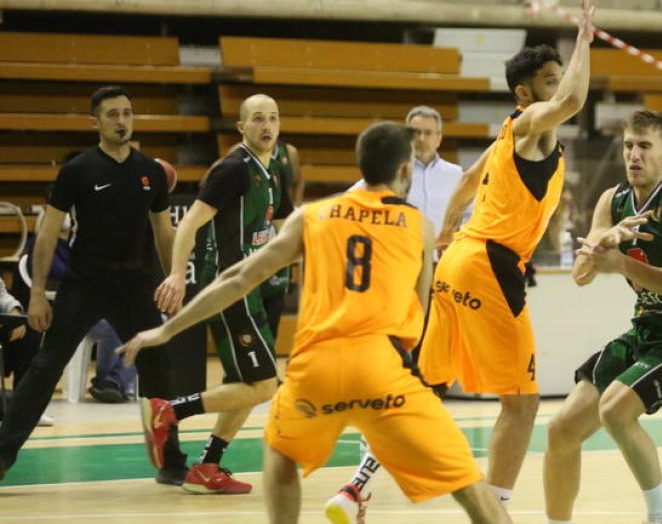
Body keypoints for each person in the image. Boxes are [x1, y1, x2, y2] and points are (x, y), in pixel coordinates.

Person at [119, 122, 512, 524]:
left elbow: (238, 278)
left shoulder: (313, 215)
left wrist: (166, 329)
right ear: (405, 171)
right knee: (471, 488)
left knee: (280, 455)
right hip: (383, 367)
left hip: (318, 369)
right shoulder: (420, 227)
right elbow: (421, 307)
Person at [416, 0, 596, 510]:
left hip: (460, 260)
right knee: (522, 402)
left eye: (559, 75)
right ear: (525, 94)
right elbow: (572, 103)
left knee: (428, 384)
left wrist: (447, 232)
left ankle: (358, 480)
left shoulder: (508, 136)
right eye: (548, 79)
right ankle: (495, 510)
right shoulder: (528, 127)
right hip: (489, 266)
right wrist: (583, 40)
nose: (558, 86)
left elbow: (469, 180)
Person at [544, 109, 662, 524]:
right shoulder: (612, 201)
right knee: (560, 430)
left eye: (645, 146)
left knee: (614, 410)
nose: (633, 154)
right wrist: (604, 243)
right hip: (648, 328)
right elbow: (580, 275)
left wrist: (623, 264)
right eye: (629, 145)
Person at [0, 86, 186, 483]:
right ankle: (2, 456)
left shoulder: (151, 172)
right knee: (45, 368)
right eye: (113, 114)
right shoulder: (77, 171)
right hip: (86, 282)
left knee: (160, 369)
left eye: (127, 113)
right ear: (96, 122)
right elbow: (47, 235)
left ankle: (172, 462)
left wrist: (174, 278)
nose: (122, 120)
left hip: (136, 283)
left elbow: (165, 233)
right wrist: (36, 295)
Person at [325, 104, 470, 522]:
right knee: (410, 391)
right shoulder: (367, 188)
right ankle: (358, 484)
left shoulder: (458, 178)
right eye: (415, 131)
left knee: (414, 389)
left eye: (429, 131)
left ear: (440, 137)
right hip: (394, 295)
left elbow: (474, 225)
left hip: (445, 287)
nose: (422, 137)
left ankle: (359, 485)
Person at [142, 94, 292, 494]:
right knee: (263, 384)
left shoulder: (277, 165)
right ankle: (170, 412)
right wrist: (177, 274)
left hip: (253, 285)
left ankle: (208, 465)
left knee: (243, 384)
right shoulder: (231, 170)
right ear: (242, 127)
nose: (267, 125)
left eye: (273, 118)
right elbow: (190, 222)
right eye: (258, 119)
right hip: (227, 285)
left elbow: (283, 221)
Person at [261, 140, 303, 341]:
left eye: (272, 119)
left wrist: (294, 205)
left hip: (279, 222)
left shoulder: (289, 151)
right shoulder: (238, 155)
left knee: (276, 296)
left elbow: (298, 180)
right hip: (256, 226)